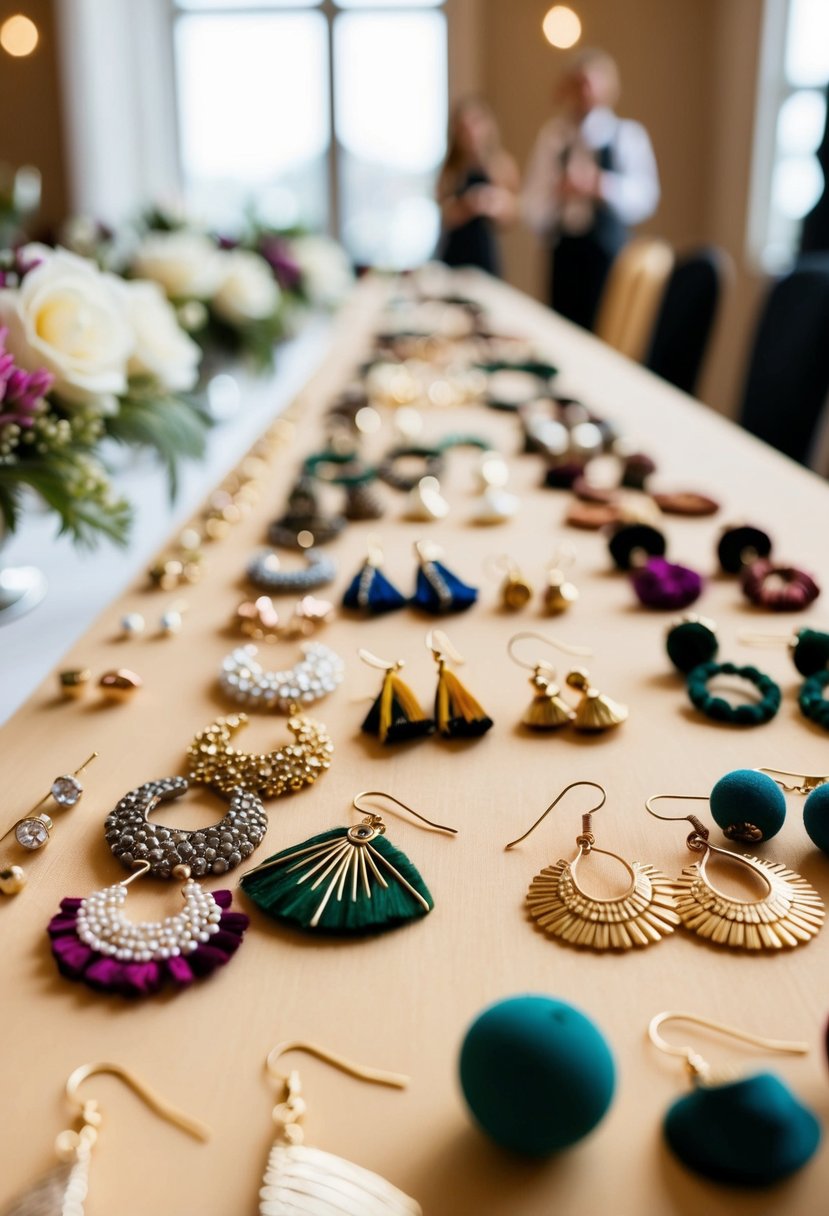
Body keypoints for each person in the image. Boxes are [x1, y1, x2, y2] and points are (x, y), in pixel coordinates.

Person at [523, 48, 660, 330]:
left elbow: (645, 196)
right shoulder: (555, 138)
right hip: (565, 254)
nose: (585, 91)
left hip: (608, 256)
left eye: (591, 83)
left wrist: (601, 185)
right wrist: (557, 194)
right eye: (578, 83)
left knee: (606, 330)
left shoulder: (627, 135)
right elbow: (531, 204)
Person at [437, 97, 519, 277]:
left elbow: (512, 215)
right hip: (455, 251)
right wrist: (467, 205)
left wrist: (492, 204)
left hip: (484, 252)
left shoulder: (500, 165)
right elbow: (443, 214)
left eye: (475, 125)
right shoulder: (451, 169)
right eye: (464, 128)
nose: (471, 133)